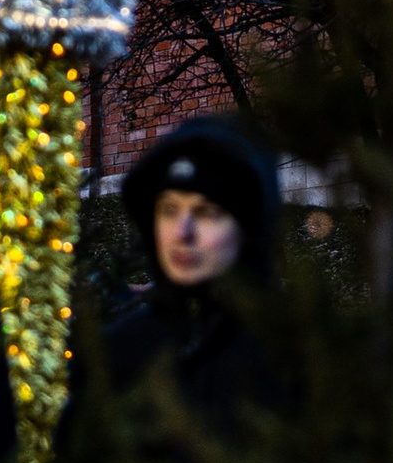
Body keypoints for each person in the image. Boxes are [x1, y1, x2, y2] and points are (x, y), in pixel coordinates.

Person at [81, 116, 284, 442]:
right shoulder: (118, 354)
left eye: (206, 212)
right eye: (169, 210)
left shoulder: (295, 359)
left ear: (249, 229)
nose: (182, 233)